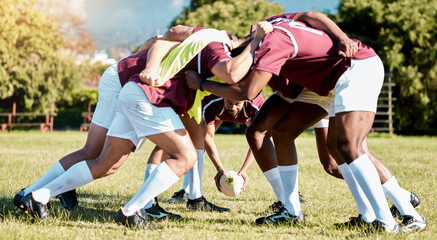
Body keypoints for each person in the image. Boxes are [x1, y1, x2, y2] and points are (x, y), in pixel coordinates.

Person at [186, 12, 427, 234]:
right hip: (320, 80)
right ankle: (295, 211)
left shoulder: (271, 43)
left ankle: (398, 217)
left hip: (351, 69)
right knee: (286, 134)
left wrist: (202, 84)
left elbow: (247, 90)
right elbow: (308, 16)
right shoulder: (268, 28)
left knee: (349, 147)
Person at [14, 23, 272, 228]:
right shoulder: (219, 47)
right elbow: (170, 42)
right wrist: (257, 41)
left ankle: (37, 196)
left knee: (108, 163)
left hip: (138, 90)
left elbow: (170, 41)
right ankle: (134, 209)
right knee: (181, 156)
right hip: (140, 89)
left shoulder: (211, 41)